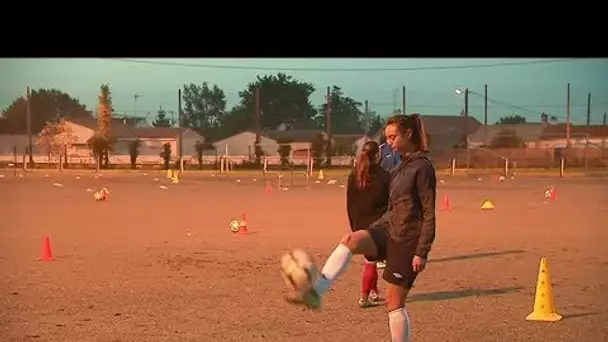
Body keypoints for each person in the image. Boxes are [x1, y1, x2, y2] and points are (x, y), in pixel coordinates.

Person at [286, 114, 437, 342]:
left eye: (393, 137)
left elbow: (428, 213)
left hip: (408, 239)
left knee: (394, 303)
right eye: (387, 138)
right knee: (351, 240)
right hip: (388, 229)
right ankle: (316, 292)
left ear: (408, 133)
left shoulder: (423, 168)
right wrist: (375, 227)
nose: (389, 143)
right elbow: (392, 207)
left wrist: (421, 251)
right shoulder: (400, 166)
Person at [346, 140, 390, 308]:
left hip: (358, 222)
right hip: (377, 225)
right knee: (372, 261)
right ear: (377, 155)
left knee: (371, 257)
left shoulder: (354, 175)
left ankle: (373, 291)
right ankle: (364, 297)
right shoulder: (384, 176)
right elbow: (389, 203)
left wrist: (354, 225)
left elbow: (349, 203)